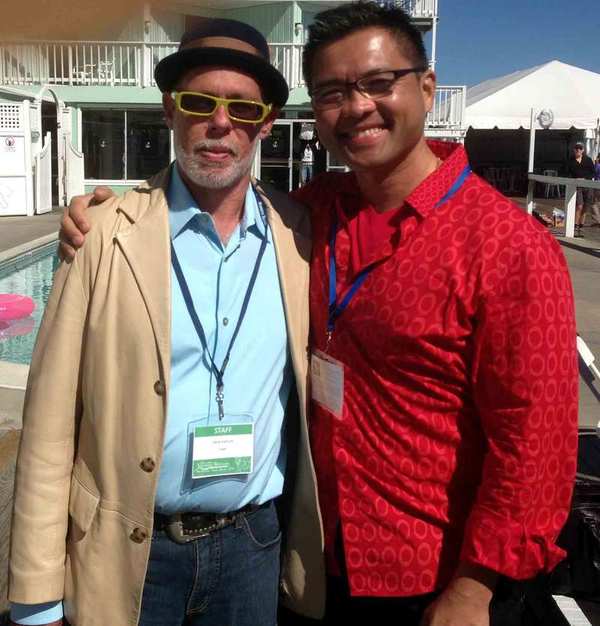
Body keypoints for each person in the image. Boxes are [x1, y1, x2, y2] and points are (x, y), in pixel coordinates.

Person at [60, 3, 579, 625]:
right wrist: (112, 210)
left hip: (427, 578)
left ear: (428, 87)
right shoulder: (309, 215)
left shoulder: (509, 248)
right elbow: (211, 183)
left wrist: (475, 587)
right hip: (303, 560)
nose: (357, 106)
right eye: (333, 92)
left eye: (379, 83)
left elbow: (536, 448)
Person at [8, 19, 325, 626]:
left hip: (253, 548)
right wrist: (35, 593)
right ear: (170, 111)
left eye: (241, 107)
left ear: (266, 122)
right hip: (127, 549)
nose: (220, 122)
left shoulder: (300, 235)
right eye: (200, 102)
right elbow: (49, 421)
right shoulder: (103, 234)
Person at [566, 141, 595, 236]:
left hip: (587, 184)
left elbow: (593, 172)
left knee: (586, 206)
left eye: (580, 148)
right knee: (579, 205)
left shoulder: (588, 160)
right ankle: (575, 224)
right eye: (576, 148)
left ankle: (581, 225)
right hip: (577, 185)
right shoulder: (570, 161)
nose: (578, 150)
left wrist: (585, 178)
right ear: (574, 150)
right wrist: (574, 179)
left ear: (583, 150)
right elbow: (567, 172)